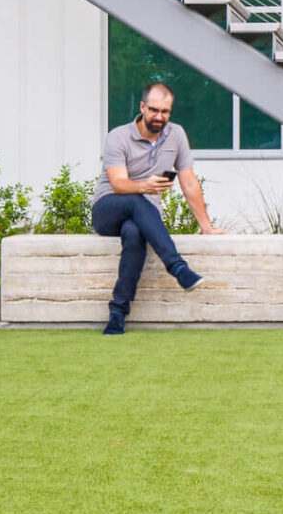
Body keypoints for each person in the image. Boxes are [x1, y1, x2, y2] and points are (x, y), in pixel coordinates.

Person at [91, 81, 222, 334]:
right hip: (108, 209)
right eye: (154, 110)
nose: (159, 117)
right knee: (135, 200)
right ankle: (177, 267)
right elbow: (118, 184)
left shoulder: (176, 135)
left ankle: (117, 313)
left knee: (135, 233)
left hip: (142, 217)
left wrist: (206, 226)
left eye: (165, 112)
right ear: (142, 107)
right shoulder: (118, 136)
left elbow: (189, 181)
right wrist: (143, 187)